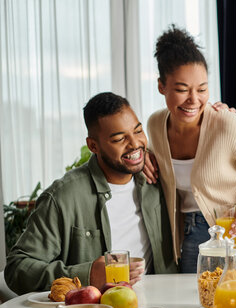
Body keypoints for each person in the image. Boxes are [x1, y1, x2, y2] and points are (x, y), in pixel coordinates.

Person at [5, 92, 178, 295]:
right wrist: (87, 276)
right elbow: (17, 268)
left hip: (160, 305)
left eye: (138, 131)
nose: (135, 144)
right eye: (119, 139)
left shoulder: (156, 178)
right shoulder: (63, 197)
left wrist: (219, 114)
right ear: (93, 146)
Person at [143, 25, 236, 273]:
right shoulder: (154, 125)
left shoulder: (228, 124)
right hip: (192, 240)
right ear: (161, 86)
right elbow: (152, 160)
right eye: (182, 90)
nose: (193, 100)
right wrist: (144, 160)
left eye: (202, 89)